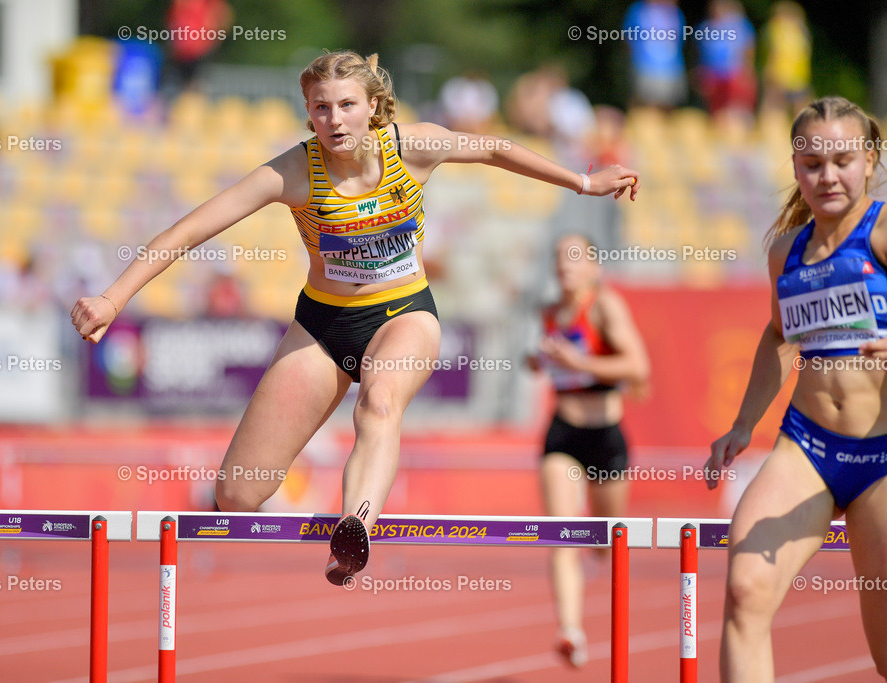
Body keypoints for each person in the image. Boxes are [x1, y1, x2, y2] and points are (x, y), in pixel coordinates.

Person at [71, 50, 640, 586]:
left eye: (346, 105)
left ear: (372, 107)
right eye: (321, 107)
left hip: (403, 314)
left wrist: (584, 182)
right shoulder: (293, 171)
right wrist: (112, 300)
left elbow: (493, 147)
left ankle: (356, 526)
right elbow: (188, 230)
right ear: (309, 114)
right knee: (238, 494)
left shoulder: (413, 146)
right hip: (323, 325)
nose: (334, 120)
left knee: (380, 400)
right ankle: (342, 524)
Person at [706, 96, 887, 681]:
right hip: (805, 447)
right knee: (745, 591)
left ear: (871, 161)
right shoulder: (787, 250)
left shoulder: (881, 232)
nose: (828, 175)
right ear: (794, 168)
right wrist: (743, 423)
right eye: (812, 163)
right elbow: (779, 335)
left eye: (843, 160)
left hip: (881, 456)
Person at [527, 234, 650, 666]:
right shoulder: (548, 314)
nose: (565, 265)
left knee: (604, 539)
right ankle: (570, 630)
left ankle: (596, 556)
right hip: (562, 433)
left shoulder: (604, 306)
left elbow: (638, 366)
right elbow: (550, 364)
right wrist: (539, 361)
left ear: (595, 266)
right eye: (560, 257)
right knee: (562, 533)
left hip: (605, 436)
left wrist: (581, 364)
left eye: (575, 257)